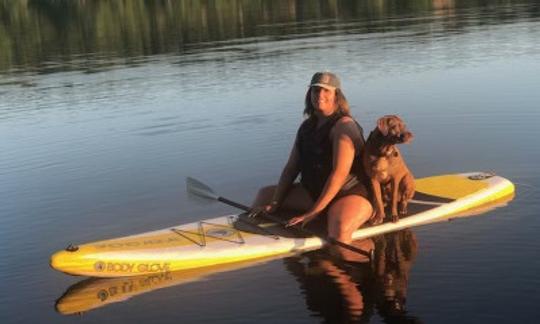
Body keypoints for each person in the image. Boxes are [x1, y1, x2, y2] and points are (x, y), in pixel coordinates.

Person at [251, 72, 373, 255]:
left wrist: (313, 212)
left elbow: (339, 175)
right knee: (264, 196)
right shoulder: (306, 127)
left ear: (336, 95)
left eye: (326, 91)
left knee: (338, 235)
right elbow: (292, 167)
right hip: (314, 192)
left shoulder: (344, 126)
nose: (319, 95)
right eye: (315, 90)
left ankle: (370, 246)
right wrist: (275, 203)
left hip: (348, 194)